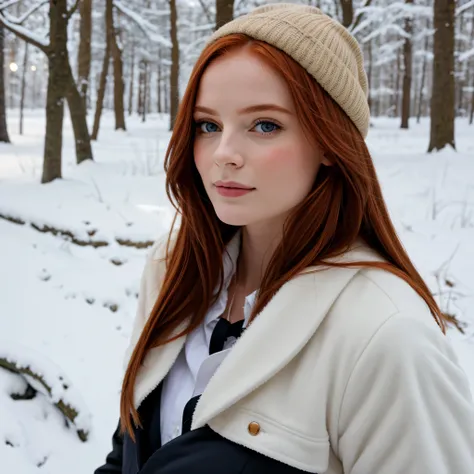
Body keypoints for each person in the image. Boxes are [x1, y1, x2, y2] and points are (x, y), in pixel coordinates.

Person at [94, 4, 474, 474]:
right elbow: (128, 451)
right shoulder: (175, 267)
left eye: (265, 125)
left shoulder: (385, 334)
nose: (224, 154)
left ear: (331, 143)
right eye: (208, 125)